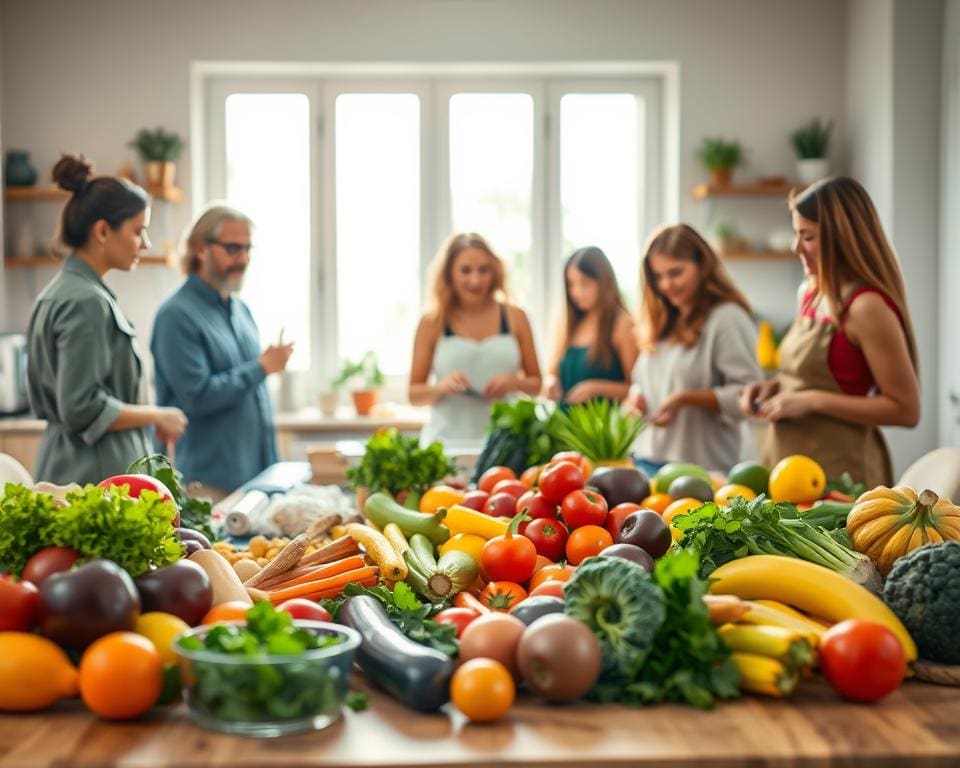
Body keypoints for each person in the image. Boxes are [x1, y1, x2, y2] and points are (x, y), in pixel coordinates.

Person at [738, 177, 919, 487]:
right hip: (787, 467)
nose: (797, 248)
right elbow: (813, 376)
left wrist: (812, 400)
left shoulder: (866, 307)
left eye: (807, 237)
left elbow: (906, 410)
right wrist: (775, 386)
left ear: (842, 239)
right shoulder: (809, 294)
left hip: (842, 475)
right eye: (796, 234)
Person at [26, 154, 187, 485]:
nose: (146, 243)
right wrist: (158, 414)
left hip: (69, 465)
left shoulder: (62, 291)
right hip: (94, 476)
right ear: (102, 230)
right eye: (138, 231)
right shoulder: (86, 301)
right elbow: (80, 406)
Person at [151, 204, 293, 500]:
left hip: (254, 479)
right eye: (232, 248)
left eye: (247, 248)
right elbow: (196, 397)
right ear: (200, 249)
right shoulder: (176, 315)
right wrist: (261, 367)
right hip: (206, 485)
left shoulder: (241, 311)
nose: (243, 258)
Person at [624, 223, 760, 473]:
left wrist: (685, 399)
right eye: (658, 276)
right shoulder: (663, 318)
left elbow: (750, 396)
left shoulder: (726, 319)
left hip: (702, 469)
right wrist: (636, 396)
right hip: (646, 457)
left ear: (702, 266)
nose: (665, 285)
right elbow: (642, 380)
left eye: (675, 273)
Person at [409, 233, 542, 446]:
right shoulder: (431, 322)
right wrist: (441, 387)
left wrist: (514, 382)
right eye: (465, 270)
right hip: (445, 444)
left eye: (483, 270)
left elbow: (537, 384)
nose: (475, 280)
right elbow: (414, 394)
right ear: (449, 273)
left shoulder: (516, 316)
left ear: (495, 271)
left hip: (505, 443)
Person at [543, 246, 638, 404]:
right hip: (563, 424)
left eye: (585, 283)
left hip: (601, 426)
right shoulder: (568, 324)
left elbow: (637, 388)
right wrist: (550, 382)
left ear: (603, 281)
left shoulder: (622, 324)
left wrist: (597, 388)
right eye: (571, 284)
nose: (576, 292)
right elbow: (552, 372)